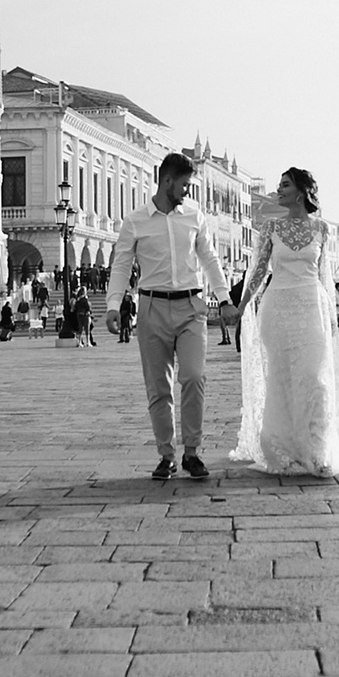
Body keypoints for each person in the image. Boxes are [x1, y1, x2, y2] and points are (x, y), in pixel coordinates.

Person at [108, 151, 227, 482]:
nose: (188, 191)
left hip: (191, 306)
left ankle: (192, 451)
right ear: (167, 181)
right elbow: (120, 265)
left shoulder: (194, 216)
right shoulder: (135, 221)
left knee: (193, 377)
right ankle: (167, 455)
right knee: (158, 387)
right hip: (151, 307)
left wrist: (224, 296)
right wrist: (113, 305)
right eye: (185, 185)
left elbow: (210, 258)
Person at [231, 167, 339, 477]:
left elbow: (326, 276)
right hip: (277, 308)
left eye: (284, 185)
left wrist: (333, 315)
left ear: (300, 191)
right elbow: (258, 272)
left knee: (314, 378)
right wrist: (242, 305)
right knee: (282, 379)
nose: (278, 189)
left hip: (311, 308)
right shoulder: (270, 226)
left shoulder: (322, 230)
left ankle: (317, 450)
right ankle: (281, 449)